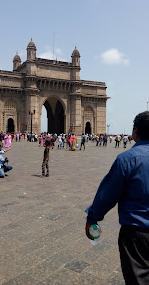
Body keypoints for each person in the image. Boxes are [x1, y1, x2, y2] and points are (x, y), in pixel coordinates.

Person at [85, 111, 149, 285]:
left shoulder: (127, 159)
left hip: (137, 234)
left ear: (135, 131)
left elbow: (107, 195)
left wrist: (92, 218)